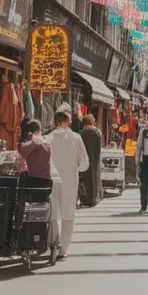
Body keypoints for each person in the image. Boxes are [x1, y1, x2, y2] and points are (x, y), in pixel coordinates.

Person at [47, 110, 89, 258]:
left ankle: (52, 244)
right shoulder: (75, 138)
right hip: (70, 180)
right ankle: (63, 248)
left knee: (52, 212)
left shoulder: (48, 138)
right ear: (66, 121)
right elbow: (84, 163)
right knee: (68, 214)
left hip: (52, 179)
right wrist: (74, 168)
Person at [79, 115, 103, 207]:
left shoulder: (81, 133)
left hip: (83, 158)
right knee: (94, 177)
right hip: (94, 158)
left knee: (84, 178)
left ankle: (85, 198)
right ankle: (93, 198)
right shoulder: (97, 132)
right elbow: (98, 147)